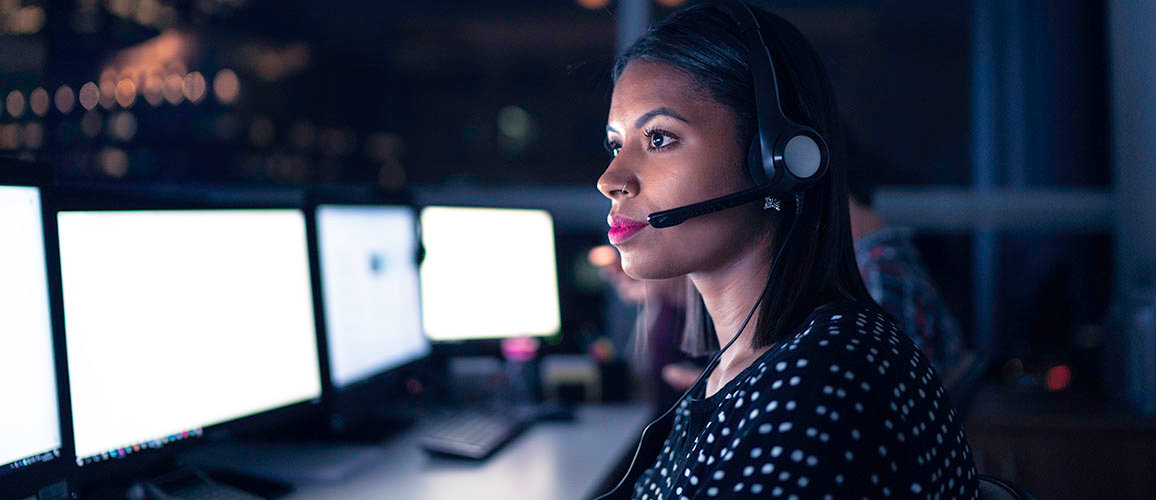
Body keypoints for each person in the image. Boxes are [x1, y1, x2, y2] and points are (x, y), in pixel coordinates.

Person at [594, 2, 979, 498]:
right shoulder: (738, 368)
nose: (610, 180)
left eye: (660, 137)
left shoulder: (828, 378)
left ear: (774, 162)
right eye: (615, 145)